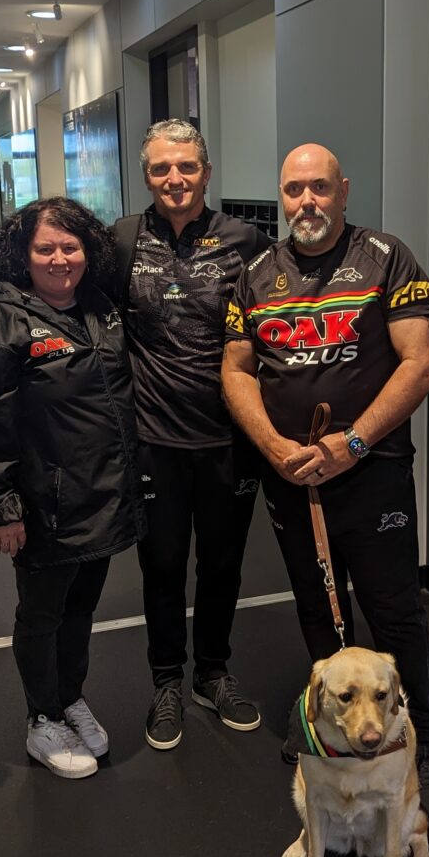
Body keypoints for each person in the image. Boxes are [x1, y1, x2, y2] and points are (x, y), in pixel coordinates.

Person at [221, 143, 429, 828]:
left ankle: (420, 746)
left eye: (319, 188)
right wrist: (274, 446)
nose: (306, 203)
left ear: (344, 191)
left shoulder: (388, 257)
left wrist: (353, 443)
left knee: (395, 614)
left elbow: (424, 361)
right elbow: (236, 370)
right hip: (293, 476)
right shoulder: (258, 274)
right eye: (294, 190)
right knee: (320, 616)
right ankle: (329, 730)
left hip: (370, 475)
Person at [0, 197, 145, 780]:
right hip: (42, 505)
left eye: (71, 246)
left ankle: (68, 697)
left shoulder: (100, 307)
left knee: (80, 608)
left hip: (101, 497)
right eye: (45, 248)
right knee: (41, 614)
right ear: (21, 253)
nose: (60, 259)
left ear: (89, 251)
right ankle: (41, 718)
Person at [110, 119, 271, 751]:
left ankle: (213, 672)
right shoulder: (122, 240)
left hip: (230, 439)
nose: (173, 179)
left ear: (205, 172)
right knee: (163, 565)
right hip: (154, 439)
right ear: (146, 176)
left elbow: (272, 327)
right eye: (159, 170)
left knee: (224, 565)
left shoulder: (248, 242)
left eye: (185, 168)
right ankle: (166, 682)